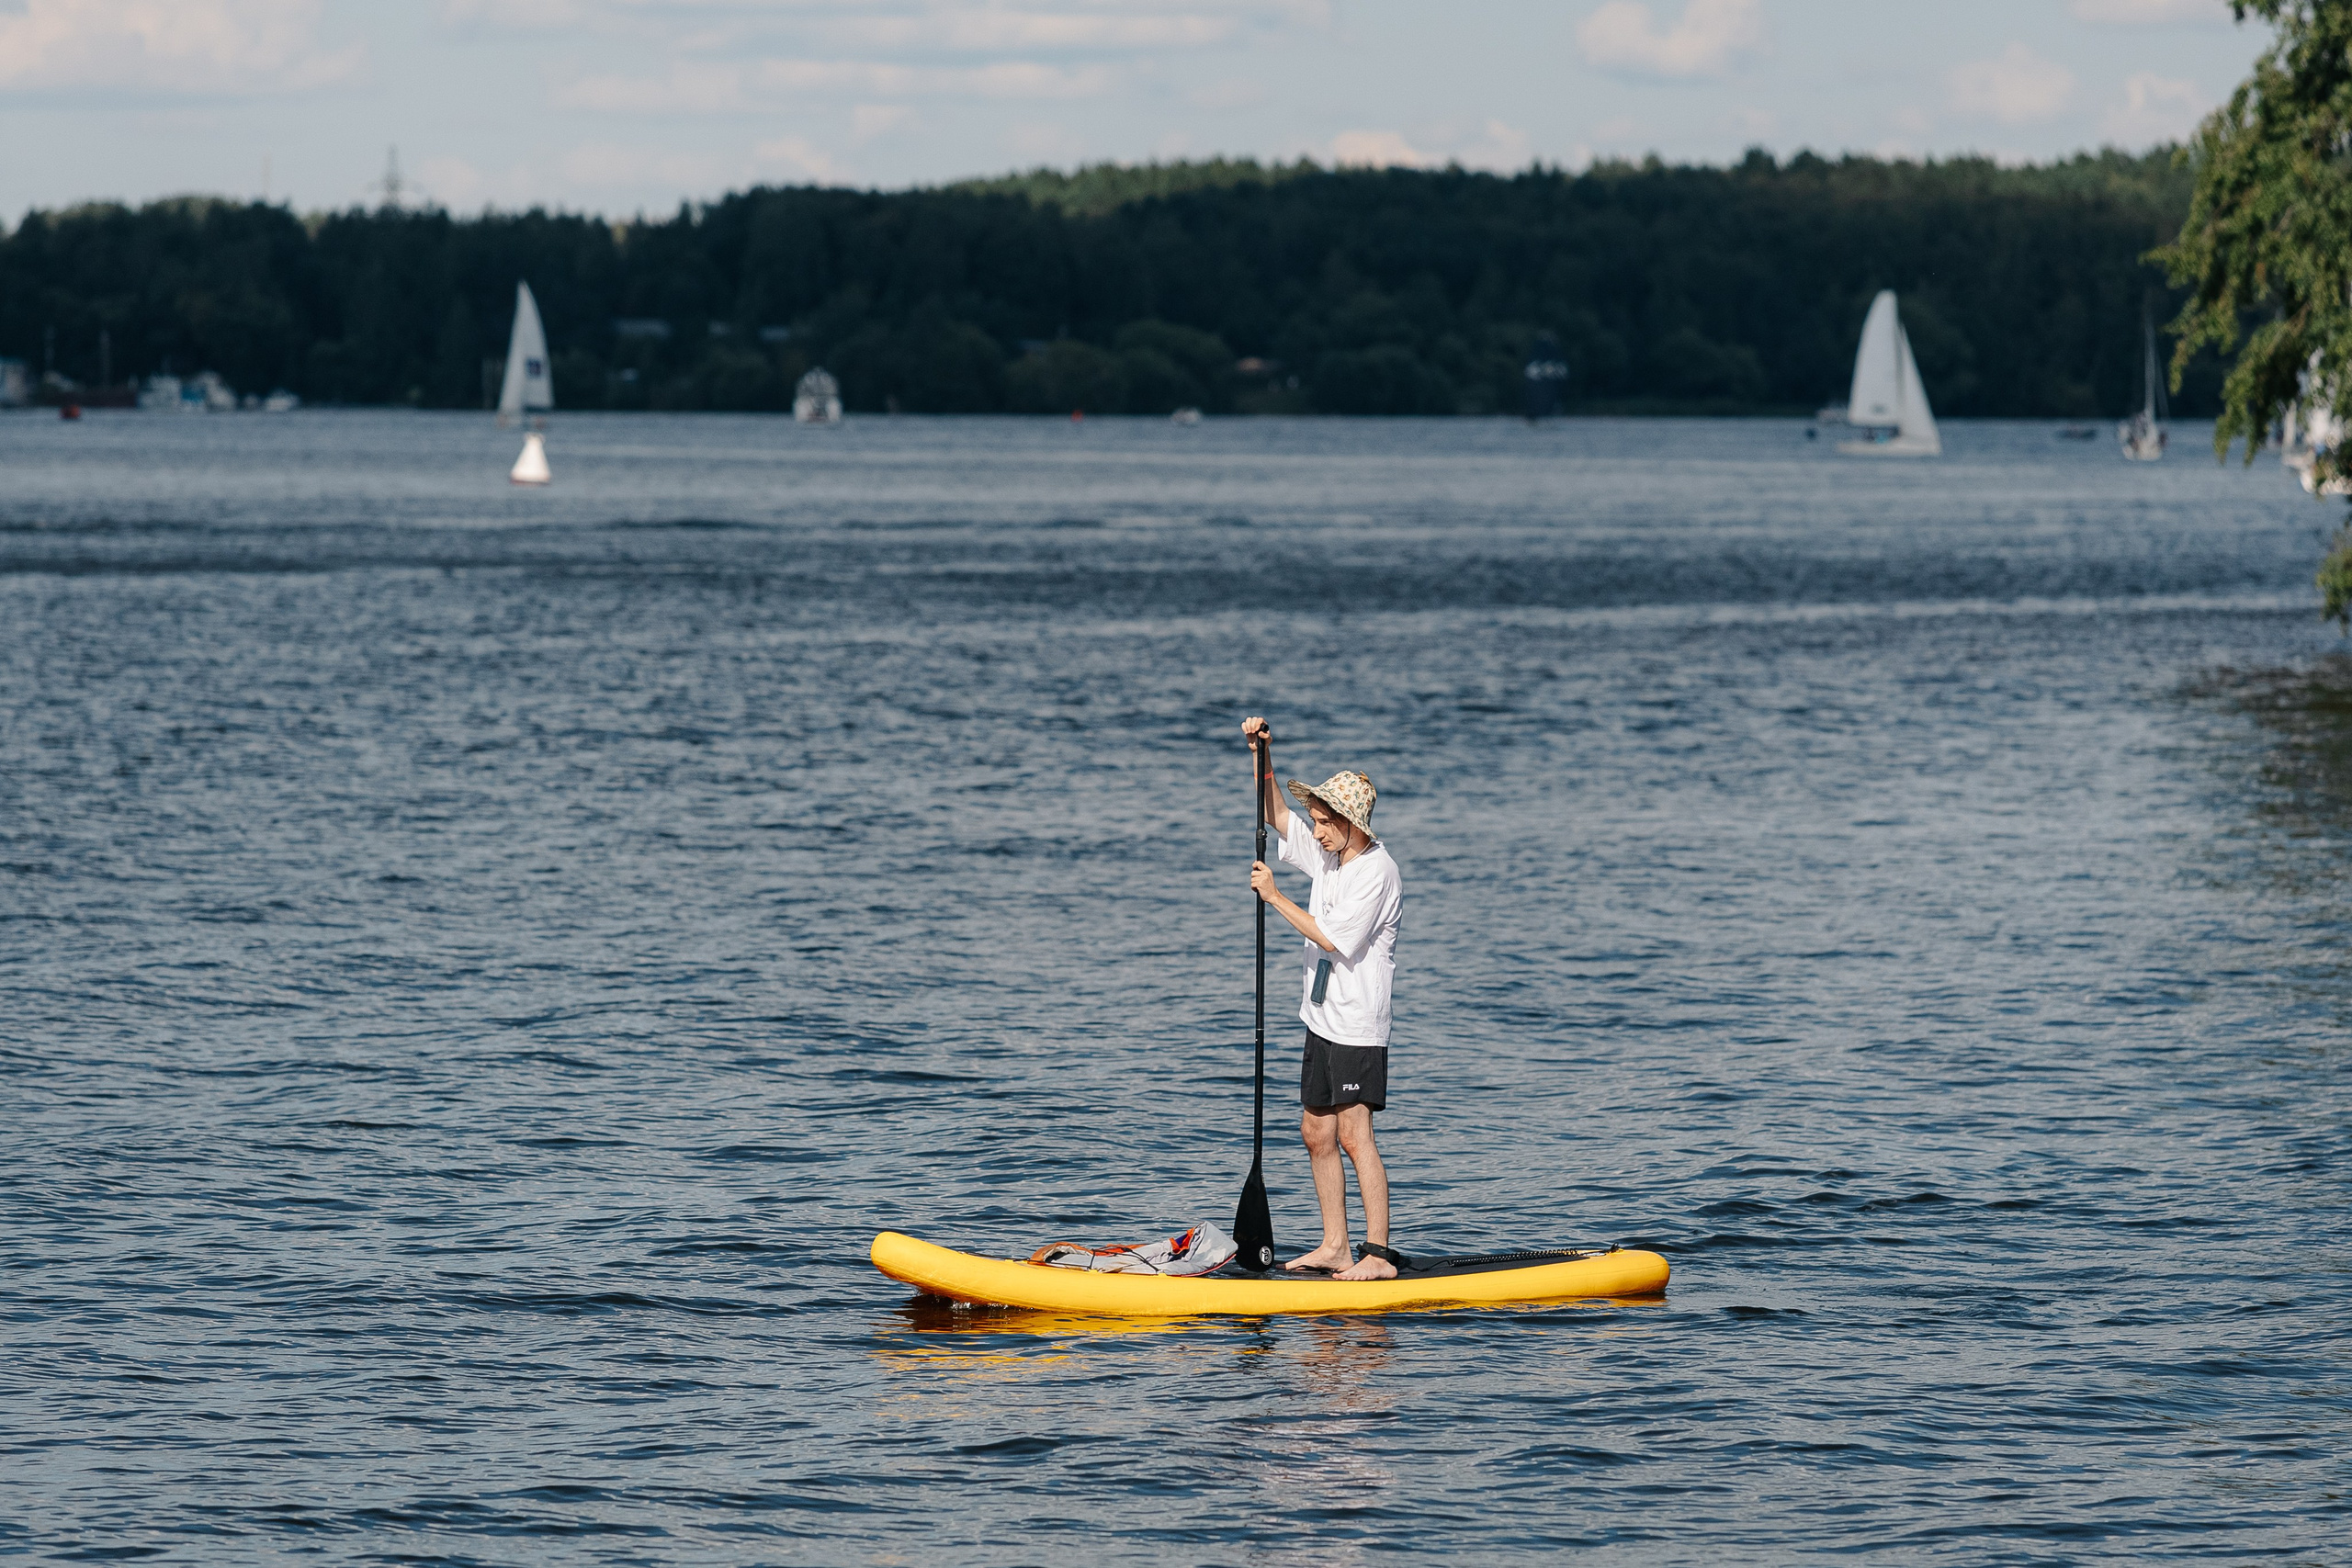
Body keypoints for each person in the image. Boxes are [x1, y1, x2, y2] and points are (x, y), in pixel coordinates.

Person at [1242, 716, 1405, 1282]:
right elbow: (1275, 814)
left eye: (1324, 822)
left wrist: (1275, 896)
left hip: (1358, 1024)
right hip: (1321, 1017)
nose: (1315, 830)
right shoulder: (1331, 856)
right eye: (1315, 821)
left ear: (1350, 824)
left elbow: (1333, 939)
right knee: (1316, 1131)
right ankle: (1335, 1245)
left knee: (1356, 1135)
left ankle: (1378, 1254)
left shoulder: (1377, 872)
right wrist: (1264, 753)